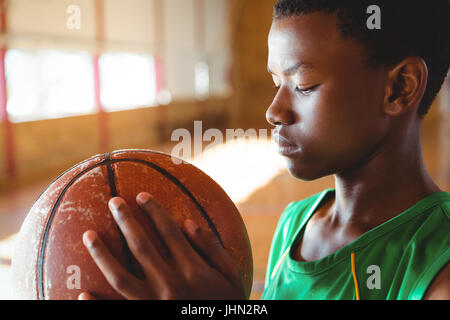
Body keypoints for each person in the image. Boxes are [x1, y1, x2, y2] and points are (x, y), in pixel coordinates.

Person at [79, 0, 450, 300]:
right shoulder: (296, 223)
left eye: (303, 84)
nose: (274, 111)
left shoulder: (437, 262)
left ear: (399, 88)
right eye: (277, 82)